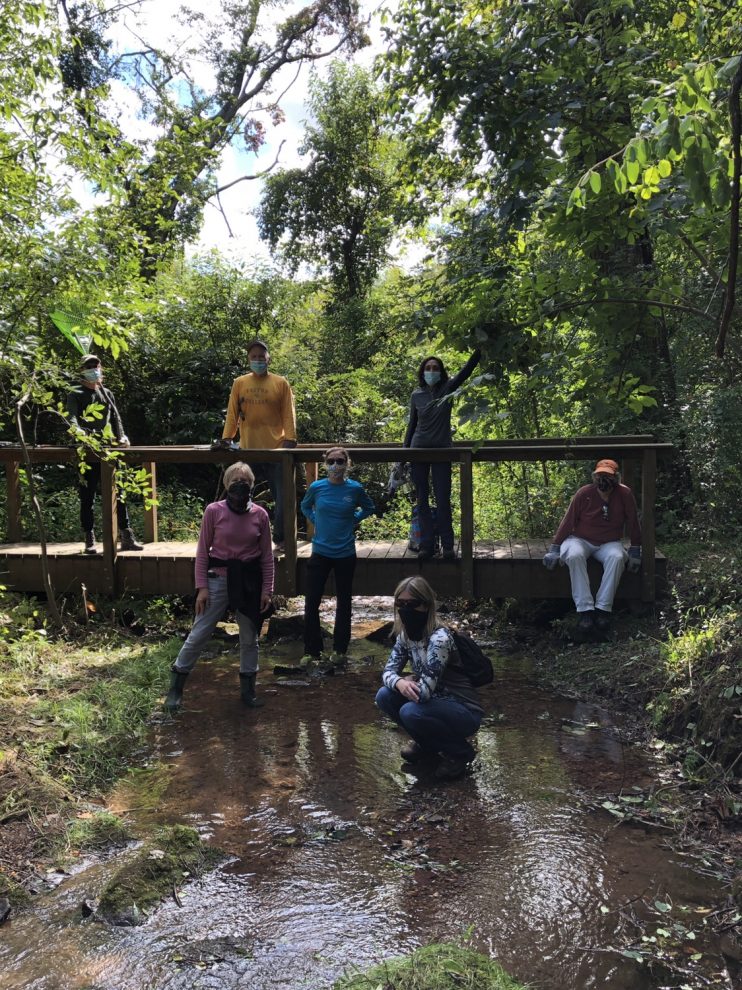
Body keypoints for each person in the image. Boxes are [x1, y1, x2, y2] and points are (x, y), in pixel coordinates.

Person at [164, 461, 274, 712]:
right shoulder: (213, 511)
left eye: (245, 481)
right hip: (217, 579)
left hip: (248, 581)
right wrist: (201, 587)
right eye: (235, 480)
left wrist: (267, 589)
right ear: (226, 484)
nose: (240, 484)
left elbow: (266, 557)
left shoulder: (260, 515)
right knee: (199, 633)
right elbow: (202, 552)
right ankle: (176, 688)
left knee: (249, 638)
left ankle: (248, 691)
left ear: (252, 485)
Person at [375, 576, 483, 781]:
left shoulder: (439, 639)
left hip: (463, 710)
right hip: (435, 703)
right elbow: (387, 672)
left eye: (413, 604)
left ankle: (460, 752)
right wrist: (400, 681)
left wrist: (409, 681)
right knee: (384, 696)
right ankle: (428, 746)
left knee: (410, 711)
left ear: (426, 606)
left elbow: (423, 694)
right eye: (401, 604)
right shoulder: (405, 636)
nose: (406, 610)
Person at [542, 458, 642, 633]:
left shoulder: (624, 494)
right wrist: (555, 548)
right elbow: (568, 521)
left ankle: (603, 609)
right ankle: (585, 611)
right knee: (574, 556)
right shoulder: (584, 493)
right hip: (580, 539)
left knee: (617, 558)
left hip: (609, 542)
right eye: (600, 475)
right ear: (594, 476)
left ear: (616, 477)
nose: (603, 479)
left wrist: (635, 550)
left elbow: (633, 522)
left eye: (608, 476)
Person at [300, 447, 375, 666]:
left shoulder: (354, 489)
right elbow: (305, 506)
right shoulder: (317, 487)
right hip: (320, 552)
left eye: (340, 461)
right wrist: (316, 520)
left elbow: (369, 507)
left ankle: (340, 650)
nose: (335, 465)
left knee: (344, 602)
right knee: (311, 601)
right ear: (325, 464)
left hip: (345, 553)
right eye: (331, 461)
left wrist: (354, 520)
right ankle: (311, 651)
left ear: (347, 463)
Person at [403, 349, 481, 560]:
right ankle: (427, 545)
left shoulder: (447, 389)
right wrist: (403, 456)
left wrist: (480, 349)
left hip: (442, 450)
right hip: (418, 450)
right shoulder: (416, 395)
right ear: (422, 372)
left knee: (443, 498)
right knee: (422, 499)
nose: (431, 371)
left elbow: (465, 372)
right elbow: (412, 426)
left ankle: (448, 546)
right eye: (428, 368)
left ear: (441, 372)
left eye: (435, 368)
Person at [221, 338, 297, 552]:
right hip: (248, 450)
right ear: (248, 359)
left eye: (261, 357)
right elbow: (233, 412)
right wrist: (227, 437)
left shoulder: (280, 383)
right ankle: (244, 538)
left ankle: (281, 539)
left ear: (268, 359)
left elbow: (288, 414)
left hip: (277, 449)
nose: (257, 360)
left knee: (283, 497)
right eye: (253, 357)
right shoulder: (240, 383)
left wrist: (291, 439)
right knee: (240, 493)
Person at [66, 353, 142, 555]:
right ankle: (89, 538)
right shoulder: (75, 393)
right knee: (87, 495)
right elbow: (71, 416)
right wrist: (77, 431)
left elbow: (115, 418)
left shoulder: (107, 393)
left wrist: (122, 436)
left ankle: (126, 535)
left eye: (96, 366)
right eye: (89, 366)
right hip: (87, 449)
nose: (93, 369)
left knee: (120, 492)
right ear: (82, 370)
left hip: (109, 449)